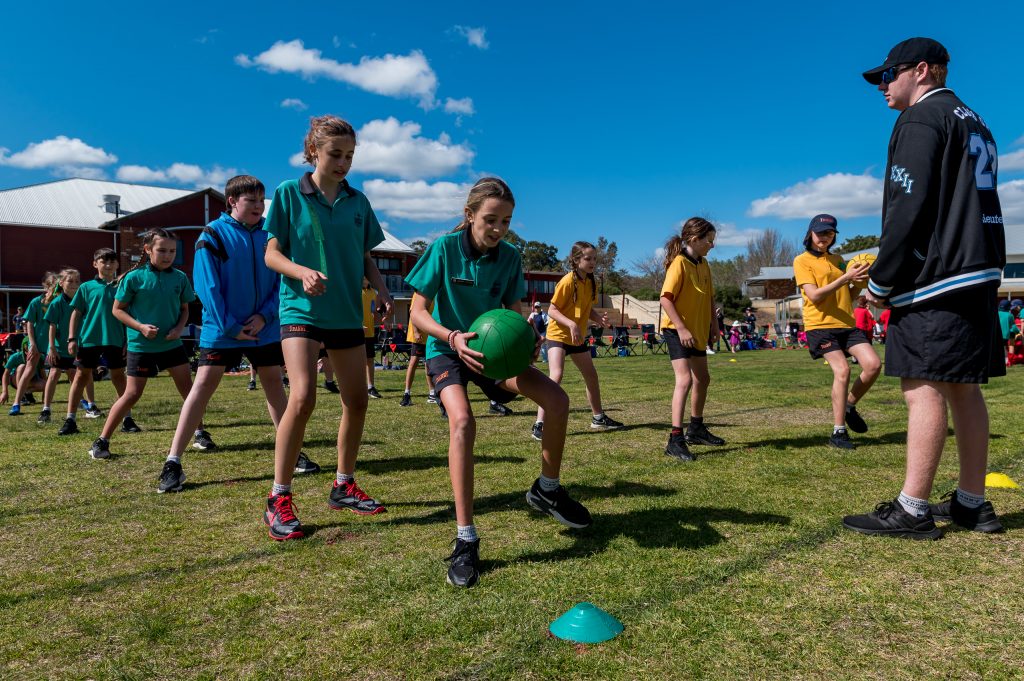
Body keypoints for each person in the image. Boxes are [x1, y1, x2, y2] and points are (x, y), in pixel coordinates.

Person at [843, 37, 1006, 538]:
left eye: (888, 76)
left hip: (938, 275)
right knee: (963, 387)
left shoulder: (920, 118)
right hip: (979, 269)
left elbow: (908, 207)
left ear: (921, 71)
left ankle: (913, 508)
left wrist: (884, 279)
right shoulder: (972, 118)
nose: (882, 87)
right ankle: (971, 502)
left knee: (923, 387)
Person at [406, 177, 592, 588]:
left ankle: (547, 490)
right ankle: (465, 539)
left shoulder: (509, 257)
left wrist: (529, 336)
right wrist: (450, 336)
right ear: (470, 215)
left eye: (505, 221)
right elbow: (418, 313)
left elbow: (514, 311)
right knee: (463, 423)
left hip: (493, 355)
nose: (498, 228)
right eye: (490, 219)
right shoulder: (443, 249)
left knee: (557, 400)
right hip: (449, 351)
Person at [261, 114, 394, 541]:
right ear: (313, 151)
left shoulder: (358, 202)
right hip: (299, 309)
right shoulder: (287, 194)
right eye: (335, 154)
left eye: (350, 155)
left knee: (357, 401)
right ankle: (279, 496)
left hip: (345, 315)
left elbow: (366, 255)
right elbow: (271, 255)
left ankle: (343, 484)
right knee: (302, 397)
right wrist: (301, 272)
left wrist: (382, 289)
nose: (343, 163)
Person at [157, 175, 320, 494]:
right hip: (222, 330)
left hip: (265, 328)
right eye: (252, 201)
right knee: (201, 387)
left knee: (275, 385)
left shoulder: (270, 236)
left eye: (262, 201)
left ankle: (292, 453)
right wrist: (232, 326)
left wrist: (264, 316)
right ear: (232, 201)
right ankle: (173, 461)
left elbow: (281, 283)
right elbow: (206, 287)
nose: (259, 207)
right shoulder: (212, 235)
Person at [88, 228, 214, 460]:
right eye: (162, 250)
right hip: (141, 346)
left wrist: (178, 329)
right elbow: (117, 310)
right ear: (147, 250)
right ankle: (101, 441)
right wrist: (141, 328)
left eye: (172, 251)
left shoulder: (180, 278)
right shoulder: (133, 278)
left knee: (189, 392)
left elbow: (185, 309)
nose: (167, 255)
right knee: (131, 394)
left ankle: (200, 433)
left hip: (171, 346)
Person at [793, 214, 880, 450]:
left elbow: (848, 295)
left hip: (846, 322)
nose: (825, 237)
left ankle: (849, 405)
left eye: (830, 233)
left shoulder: (840, 260)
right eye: (821, 232)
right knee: (842, 370)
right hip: (820, 325)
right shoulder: (801, 261)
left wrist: (858, 284)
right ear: (810, 233)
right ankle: (838, 431)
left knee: (873, 364)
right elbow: (815, 295)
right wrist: (846, 278)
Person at [533, 241, 621, 441]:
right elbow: (552, 310)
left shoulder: (591, 282)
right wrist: (571, 325)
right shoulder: (566, 281)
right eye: (588, 258)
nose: (592, 262)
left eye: (595, 259)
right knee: (556, 375)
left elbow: (587, 308)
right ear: (576, 260)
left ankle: (598, 418)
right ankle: (539, 424)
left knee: (591, 375)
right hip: (558, 336)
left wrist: (599, 319)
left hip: (577, 337)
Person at [659, 217, 724, 462]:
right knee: (684, 380)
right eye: (709, 241)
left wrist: (713, 326)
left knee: (703, 379)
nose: (712, 245)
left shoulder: (704, 264)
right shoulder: (679, 263)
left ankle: (696, 428)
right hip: (677, 331)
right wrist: (682, 328)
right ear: (695, 240)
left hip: (697, 331)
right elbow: (665, 299)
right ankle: (675, 439)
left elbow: (709, 299)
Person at [59, 248, 135, 436]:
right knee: (80, 376)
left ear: (117, 264)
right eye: (103, 261)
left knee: (118, 377)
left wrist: (128, 340)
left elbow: (130, 315)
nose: (108, 265)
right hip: (89, 340)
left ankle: (127, 418)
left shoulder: (122, 287)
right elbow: (75, 314)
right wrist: (71, 338)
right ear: (95, 264)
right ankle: (70, 419)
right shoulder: (86, 287)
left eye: (112, 261)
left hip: (116, 339)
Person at [38, 268, 82, 425]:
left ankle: (81, 405)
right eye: (70, 281)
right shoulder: (56, 303)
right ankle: (46, 409)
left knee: (74, 375)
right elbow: (52, 326)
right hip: (59, 347)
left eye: (77, 281)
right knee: (54, 374)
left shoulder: (82, 301)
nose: (74, 284)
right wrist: (52, 347)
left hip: (76, 346)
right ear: (61, 283)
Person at [9, 272, 56, 415]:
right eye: (53, 286)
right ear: (46, 286)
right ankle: (17, 402)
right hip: (37, 341)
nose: (56, 289)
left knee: (65, 369)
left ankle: (81, 400)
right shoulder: (36, 302)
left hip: (53, 342)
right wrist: (32, 343)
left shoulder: (59, 302)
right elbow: (29, 323)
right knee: (29, 369)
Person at [399, 292, 440, 409]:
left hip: (429, 335)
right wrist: (416, 332)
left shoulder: (435, 294)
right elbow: (412, 313)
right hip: (419, 336)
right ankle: (407, 393)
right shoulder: (419, 293)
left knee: (428, 363)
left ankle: (432, 393)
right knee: (413, 362)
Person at [361, 278, 383, 399]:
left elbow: (374, 310)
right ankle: (358, 386)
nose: (367, 278)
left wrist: (381, 319)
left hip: (369, 332)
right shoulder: (355, 291)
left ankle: (371, 387)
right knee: (358, 361)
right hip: (357, 331)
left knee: (370, 359)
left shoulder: (373, 293)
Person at [997, 300, 1019, 364]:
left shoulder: (996, 314)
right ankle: (1010, 360)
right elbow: (1013, 326)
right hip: (1006, 335)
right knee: (1010, 344)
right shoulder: (1010, 315)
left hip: (997, 335)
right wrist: (1018, 332)